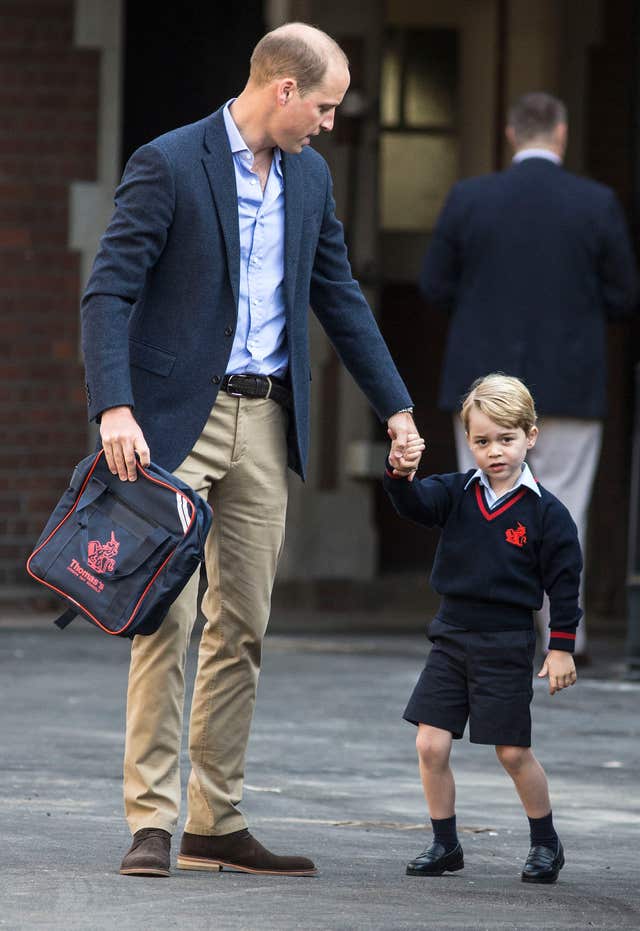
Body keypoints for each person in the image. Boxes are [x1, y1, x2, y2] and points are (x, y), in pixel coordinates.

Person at [81, 22, 417, 878]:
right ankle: (152, 820)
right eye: (328, 107)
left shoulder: (309, 177)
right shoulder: (167, 162)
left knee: (245, 627)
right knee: (166, 614)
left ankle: (214, 818)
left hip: (266, 421)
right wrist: (114, 407)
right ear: (283, 90)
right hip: (172, 422)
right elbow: (109, 289)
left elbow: (339, 296)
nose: (332, 124)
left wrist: (398, 408)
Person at [419, 92, 637, 661]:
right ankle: (567, 638)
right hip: (568, 382)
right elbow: (624, 295)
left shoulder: (470, 198)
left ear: (511, 134)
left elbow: (434, 286)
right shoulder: (596, 203)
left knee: (484, 507)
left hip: (485, 393)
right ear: (561, 134)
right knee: (563, 510)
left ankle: (486, 631)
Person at [384, 374, 580, 883]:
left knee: (512, 751)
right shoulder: (455, 492)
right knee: (430, 744)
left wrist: (561, 648)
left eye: (507, 439)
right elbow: (412, 505)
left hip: (507, 642)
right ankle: (445, 843)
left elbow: (564, 585)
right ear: (467, 439)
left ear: (531, 436)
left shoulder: (547, 514)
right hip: (451, 636)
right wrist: (399, 473)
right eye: (482, 441)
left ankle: (545, 843)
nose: (494, 451)